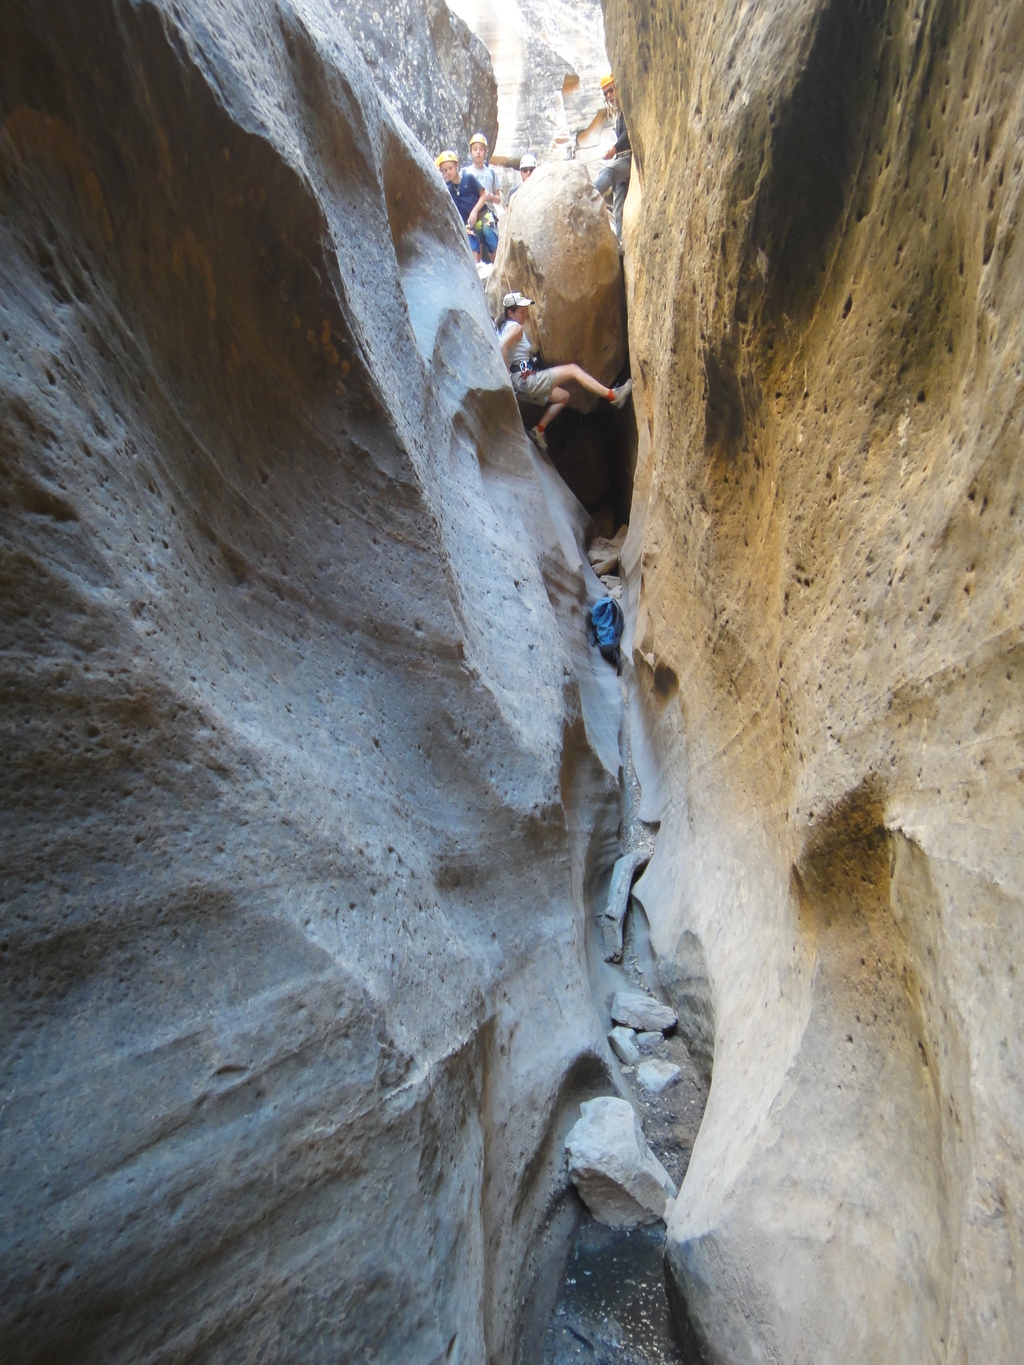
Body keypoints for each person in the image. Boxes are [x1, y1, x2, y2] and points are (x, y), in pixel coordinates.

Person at [497, 291, 632, 451]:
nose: (525, 315)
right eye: (521, 311)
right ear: (510, 312)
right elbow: (502, 347)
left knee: (563, 397)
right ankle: (612, 396)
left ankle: (538, 430)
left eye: (526, 310)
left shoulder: (503, 327)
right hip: (524, 380)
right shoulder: (515, 328)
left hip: (523, 383)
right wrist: (507, 377)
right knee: (573, 370)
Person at [593, 73, 631, 242]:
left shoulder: (627, 109)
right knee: (618, 204)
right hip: (623, 160)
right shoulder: (618, 113)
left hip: (630, 159)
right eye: (606, 93)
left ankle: (589, 195)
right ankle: (622, 241)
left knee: (608, 172)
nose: (609, 96)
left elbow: (630, 133)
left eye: (610, 91)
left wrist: (614, 149)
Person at [436, 150, 488, 262]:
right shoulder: (447, 189)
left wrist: (474, 211)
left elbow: (484, 195)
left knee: (491, 237)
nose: (448, 172)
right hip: (468, 222)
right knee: (472, 242)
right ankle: (477, 271)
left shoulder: (468, 178)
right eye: (445, 170)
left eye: (450, 168)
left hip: (482, 214)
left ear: (456, 166)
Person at [464, 133, 500, 262]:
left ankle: (496, 267)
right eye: (475, 149)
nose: (478, 152)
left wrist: (490, 196)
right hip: (471, 212)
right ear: (471, 152)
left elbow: (498, 199)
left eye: (481, 149)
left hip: (487, 211)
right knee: (473, 237)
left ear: (485, 151)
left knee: (489, 234)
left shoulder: (491, 173)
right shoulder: (466, 172)